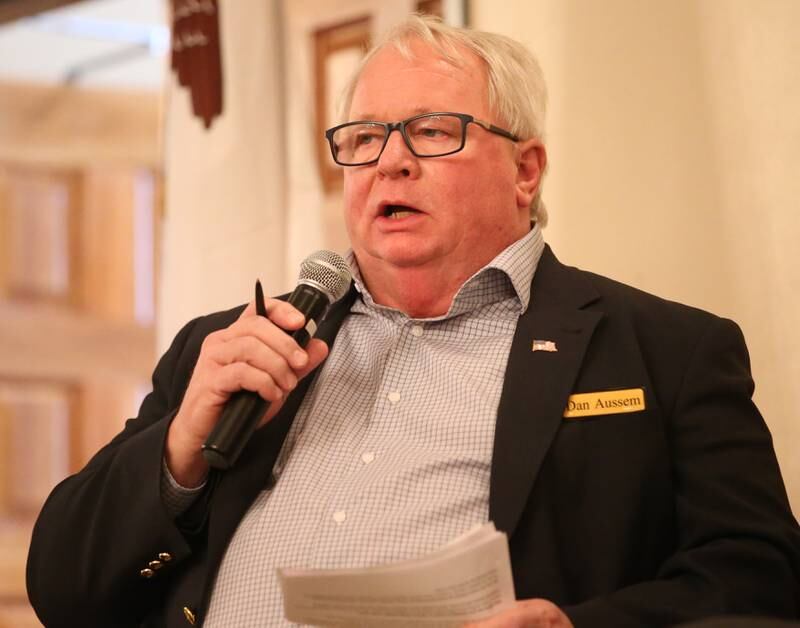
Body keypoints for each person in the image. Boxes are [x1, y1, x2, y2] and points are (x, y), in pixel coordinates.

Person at [27, 14, 799, 628]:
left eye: (432, 131)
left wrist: (577, 625)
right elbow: (63, 592)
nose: (390, 162)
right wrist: (178, 453)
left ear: (524, 171)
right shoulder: (234, 346)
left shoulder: (666, 351)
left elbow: (759, 580)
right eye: (364, 139)